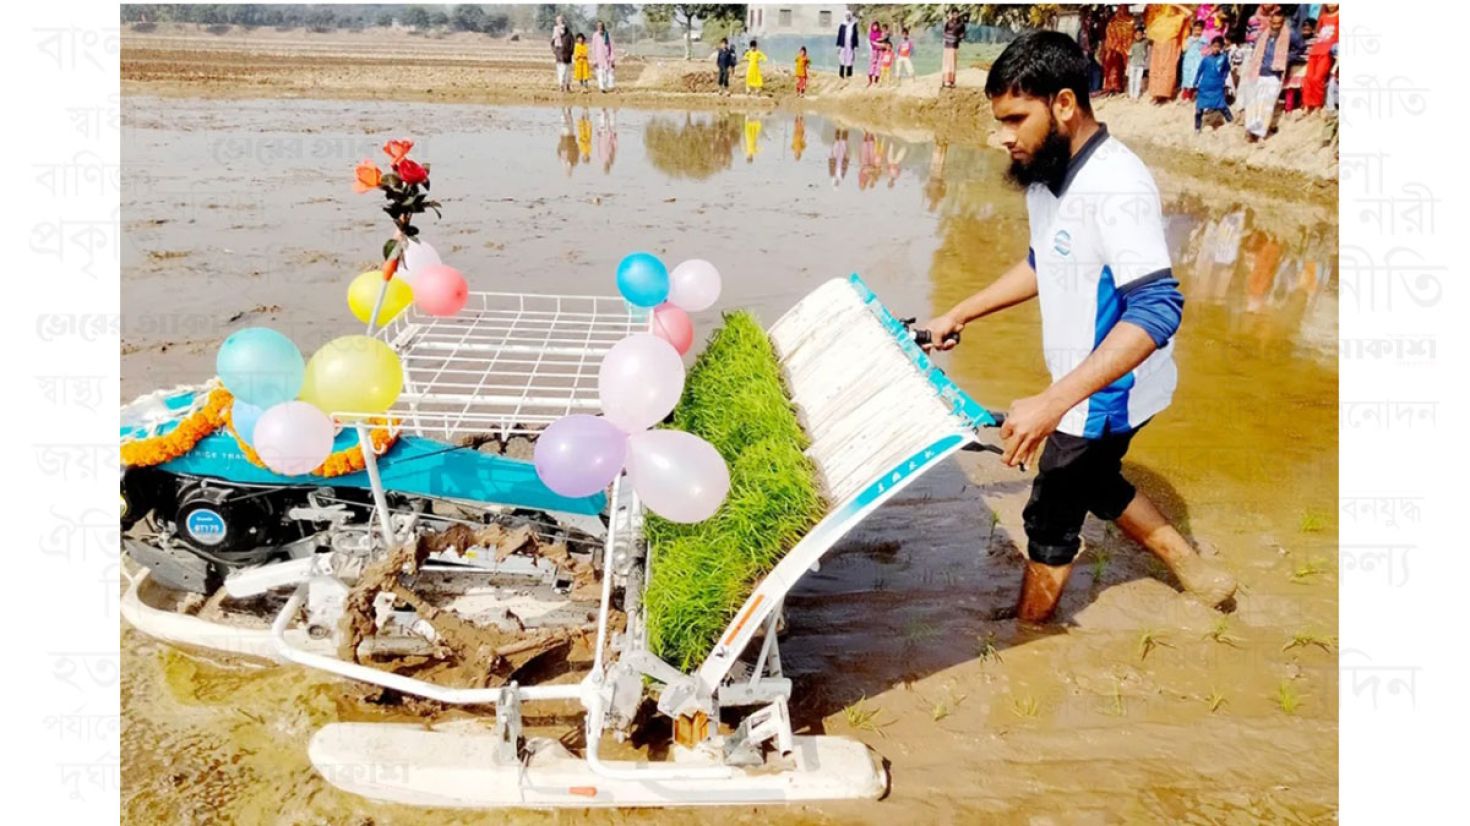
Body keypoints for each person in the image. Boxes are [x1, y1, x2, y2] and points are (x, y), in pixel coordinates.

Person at [917, 31, 1238, 624]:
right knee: (1095, 479)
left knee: (1050, 513)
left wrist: (1051, 403)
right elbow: (1047, 262)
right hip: (1078, 386)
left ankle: (1027, 637)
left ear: (1064, 103)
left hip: (1105, 394)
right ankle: (1194, 570)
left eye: (1016, 118)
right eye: (999, 121)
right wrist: (960, 312)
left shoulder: (1115, 185)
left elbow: (1158, 307)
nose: (1003, 136)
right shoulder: (1046, 174)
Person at [1241, 9, 1302, 141]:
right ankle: (1250, 131)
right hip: (1258, 72)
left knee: (1267, 105)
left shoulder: (1289, 34)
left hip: (1275, 74)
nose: (1275, 26)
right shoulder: (1263, 34)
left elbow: (1300, 47)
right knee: (1253, 103)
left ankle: (1261, 134)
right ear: (1270, 21)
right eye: (1273, 23)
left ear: (1282, 22)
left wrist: (1286, 58)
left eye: (1278, 23)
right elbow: (1256, 50)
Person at [1146, 3, 1191, 101]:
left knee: (1167, 67)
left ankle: (1165, 93)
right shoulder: (1159, 19)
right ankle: (1156, 93)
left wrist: (1177, 5)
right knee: (1156, 67)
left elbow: (1189, 13)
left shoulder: (1177, 18)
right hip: (1158, 45)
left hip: (1170, 45)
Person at [1193, 36, 1234, 131]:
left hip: (1217, 87)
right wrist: (1195, 83)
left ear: (1221, 47)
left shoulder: (1223, 58)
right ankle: (1197, 128)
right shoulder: (1206, 59)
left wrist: (1223, 79)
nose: (1216, 48)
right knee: (1199, 109)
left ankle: (1231, 122)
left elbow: (1227, 69)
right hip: (1204, 87)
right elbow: (1199, 71)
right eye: (1214, 46)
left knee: (1222, 106)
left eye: (1218, 46)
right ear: (1211, 46)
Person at [1302, 5, 1338, 111]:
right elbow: (1318, 33)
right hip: (1316, 49)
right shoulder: (1323, 16)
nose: (1330, 4)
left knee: (1318, 78)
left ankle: (1317, 106)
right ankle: (1306, 105)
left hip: (1327, 51)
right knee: (1308, 78)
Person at [1282, 17, 1315, 114]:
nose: (1305, 31)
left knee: (1304, 87)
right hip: (1294, 65)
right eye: (1303, 29)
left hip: (1306, 65)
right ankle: (1288, 107)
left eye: (1308, 29)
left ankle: (1303, 104)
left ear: (1313, 29)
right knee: (1290, 87)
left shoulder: (1315, 39)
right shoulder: (1296, 38)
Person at [1101, 6, 1134, 95]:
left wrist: (1124, 46)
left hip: (1122, 50)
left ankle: (1118, 86)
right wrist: (1115, 45)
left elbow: (1131, 35)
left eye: (1124, 8)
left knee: (1120, 69)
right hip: (1113, 49)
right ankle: (1110, 87)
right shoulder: (1113, 21)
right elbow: (1108, 34)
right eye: (1121, 8)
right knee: (1111, 68)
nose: (1123, 10)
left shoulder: (1130, 20)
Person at [1179, 20, 1206, 102]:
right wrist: (1191, 41)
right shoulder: (1189, 39)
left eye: (1199, 30)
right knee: (1187, 75)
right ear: (1192, 30)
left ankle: (1191, 93)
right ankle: (1185, 92)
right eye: (1195, 30)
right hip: (1188, 59)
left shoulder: (1204, 39)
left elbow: (1207, 48)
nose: (1197, 32)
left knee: (1195, 75)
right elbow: (1184, 49)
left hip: (1198, 59)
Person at [942, 8, 969, 89]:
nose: (955, 15)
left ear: (958, 14)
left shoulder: (961, 24)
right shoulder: (948, 23)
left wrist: (958, 38)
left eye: (956, 13)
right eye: (953, 13)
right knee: (946, 63)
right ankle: (945, 80)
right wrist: (948, 37)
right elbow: (944, 32)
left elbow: (962, 35)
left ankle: (952, 81)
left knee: (953, 63)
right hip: (947, 45)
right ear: (952, 14)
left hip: (954, 46)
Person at [550, 15, 574, 93]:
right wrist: (555, 51)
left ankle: (567, 86)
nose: (561, 22)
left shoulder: (569, 32)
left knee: (568, 72)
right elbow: (552, 43)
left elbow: (572, 42)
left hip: (567, 55)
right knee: (561, 71)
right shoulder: (555, 31)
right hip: (559, 54)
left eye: (562, 20)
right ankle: (561, 86)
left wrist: (571, 51)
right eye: (559, 21)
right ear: (557, 22)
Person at [591, 21, 616, 93]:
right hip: (598, 58)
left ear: (603, 26)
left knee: (609, 73)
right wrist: (594, 60)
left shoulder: (607, 35)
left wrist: (612, 59)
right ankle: (602, 88)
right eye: (598, 26)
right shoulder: (595, 35)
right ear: (597, 27)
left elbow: (612, 47)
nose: (600, 27)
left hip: (607, 58)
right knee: (600, 73)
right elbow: (593, 48)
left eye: (601, 26)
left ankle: (610, 87)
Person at [836, 12, 861, 80]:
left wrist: (856, 45)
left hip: (850, 44)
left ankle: (849, 75)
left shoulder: (853, 25)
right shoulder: (842, 25)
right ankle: (841, 75)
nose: (848, 17)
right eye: (847, 16)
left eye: (849, 16)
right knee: (842, 58)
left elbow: (856, 35)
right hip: (843, 44)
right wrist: (838, 45)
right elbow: (839, 35)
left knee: (850, 59)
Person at [1127, 27, 1149, 100]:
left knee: (1138, 80)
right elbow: (1129, 54)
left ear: (1143, 35)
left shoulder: (1145, 42)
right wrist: (1128, 64)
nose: (1138, 36)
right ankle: (1131, 95)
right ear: (1134, 35)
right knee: (1131, 80)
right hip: (1132, 64)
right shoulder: (1132, 43)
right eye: (1137, 34)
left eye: (1140, 34)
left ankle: (1136, 96)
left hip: (1141, 65)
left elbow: (1151, 38)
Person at [866, 20, 882, 87]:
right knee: (873, 64)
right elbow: (872, 42)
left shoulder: (880, 33)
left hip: (880, 50)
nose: (875, 27)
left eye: (876, 26)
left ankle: (876, 80)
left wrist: (880, 45)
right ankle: (870, 80)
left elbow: (882, 40)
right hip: (874, 50)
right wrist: (877, 44)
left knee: (879, 65)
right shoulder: (871, 34)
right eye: (874, 25)